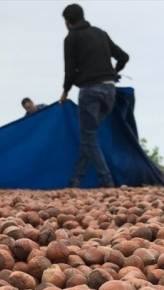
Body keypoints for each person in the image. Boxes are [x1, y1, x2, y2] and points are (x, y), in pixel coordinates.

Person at [59, 4, 129, 189]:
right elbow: (124, 57)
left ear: (67, 22)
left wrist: (65, 92)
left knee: (88, 137)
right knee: (87, 137)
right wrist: (113, 72)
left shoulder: (71, 38)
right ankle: (75, 180)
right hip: (109, 92)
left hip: (90, 91)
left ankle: (106, 180)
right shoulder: (100, 33)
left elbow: (70, 71)